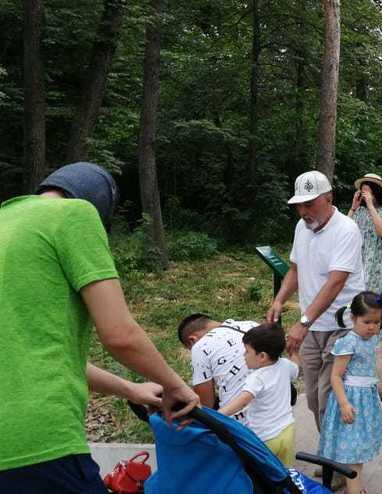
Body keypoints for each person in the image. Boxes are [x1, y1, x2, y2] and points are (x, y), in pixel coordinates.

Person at [0, 162, 199, 493]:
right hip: (38, 441)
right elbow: (120, 335)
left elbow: (39, 355)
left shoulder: (8, 225)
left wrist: (130, 389)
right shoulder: (73, 214)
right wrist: (174, 384)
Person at [267, 170, 366, 430]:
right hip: (312, 327)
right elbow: (295, 269)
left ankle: (339, 459)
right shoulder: (302, 227)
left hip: (341, 325)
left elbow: (336, 282)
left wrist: (302, 323)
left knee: (329, 396)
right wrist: (279, 300)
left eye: (309, 203)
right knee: (311, 397)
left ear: (329, 199)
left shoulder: (346, 229)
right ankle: (330, 450)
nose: (303, 210)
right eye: (299, 204)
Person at [318, 291, 382, 494]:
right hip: (351, 401)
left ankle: (351, 485)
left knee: (357, 447)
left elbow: (372, 368)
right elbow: (335, 376)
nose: (372, 327)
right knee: (354, 455)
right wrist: (344, 403)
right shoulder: (348, 342)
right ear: (353, 318)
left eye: (377, 322)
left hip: (366, 401)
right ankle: (354, 490)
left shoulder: (371, 341)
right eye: (367, 321)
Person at [218, 323, 299, 467]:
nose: (244, 355)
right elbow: (297, 369)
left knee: (264, 475)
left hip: (265, 437)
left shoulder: (257, 377)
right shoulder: (285, 365)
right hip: (287, 430)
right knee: (285, 472)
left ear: (262, 356)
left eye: (247, 352)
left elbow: (243, 401)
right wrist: (294, 352)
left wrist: (217, 415)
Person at [177, 313, 260, 422]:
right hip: (283, 405)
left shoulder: (200, 347)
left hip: (245, 424)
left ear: (192, 340)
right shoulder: (252, 324)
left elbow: (206, 404)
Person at [348, 173, 382, 339]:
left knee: (373, 307)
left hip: (378, 267)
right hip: (358, 264)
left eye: (367, 191)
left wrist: (370, 206)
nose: (364, 195)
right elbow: (343, 230)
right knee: (356, 304)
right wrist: (353, 208)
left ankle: (371, 344)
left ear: (376, 192)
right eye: (361, 191)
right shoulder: (359, 212)